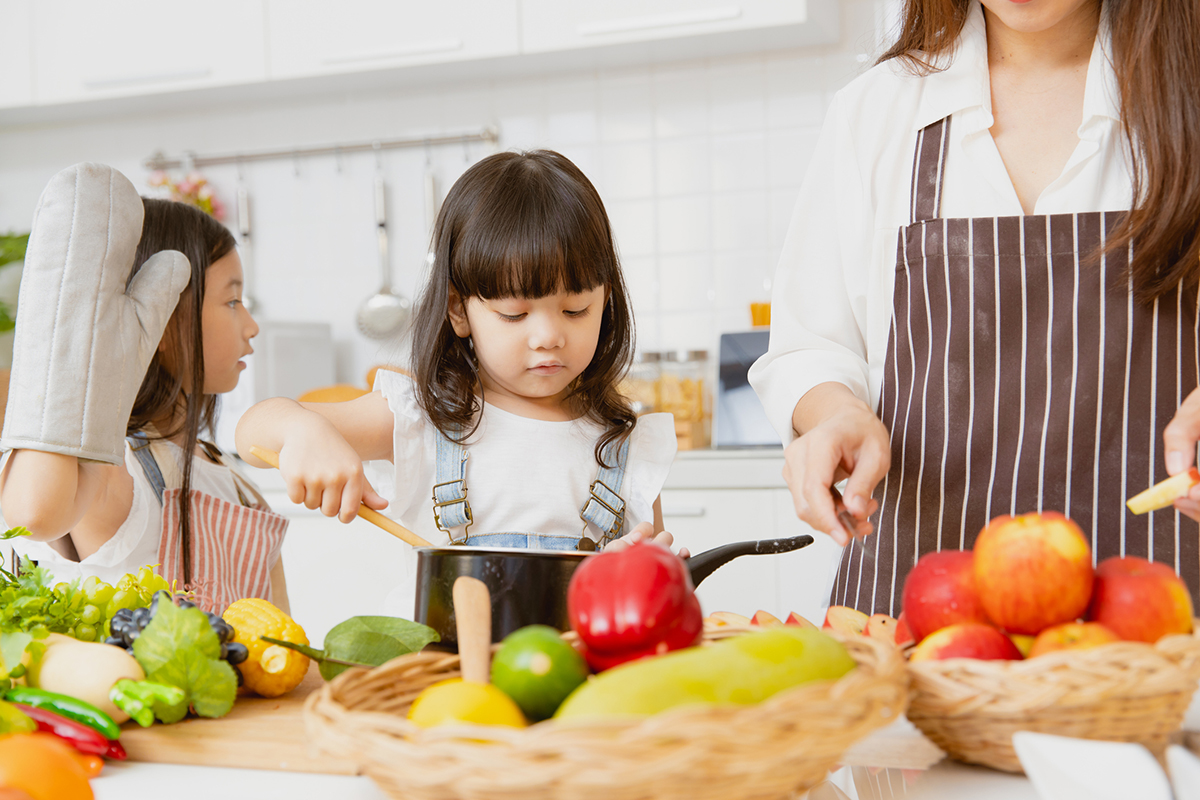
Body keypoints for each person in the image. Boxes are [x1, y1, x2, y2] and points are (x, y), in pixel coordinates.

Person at [749, 0, 1200, 615]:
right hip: (924, 614)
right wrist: (834, 414)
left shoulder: (1188, 98)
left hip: (1155, 613)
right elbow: (812, 347)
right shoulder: (877, 112)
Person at [235, 150, 677, 607]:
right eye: (514, 314)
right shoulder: (420, 418)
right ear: (458, 310)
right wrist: (303, 431)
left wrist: (640, 579)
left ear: (606, 302)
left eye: (575, 310)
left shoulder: (628, 446)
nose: (548, 336)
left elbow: (656, 606)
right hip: (441, 675)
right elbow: (251, 432)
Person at [0, 163, 287, 614]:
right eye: (232, 301)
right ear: (163, 317)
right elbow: (33, 514)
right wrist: (71, 336)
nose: (251, 326)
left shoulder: (233, 480)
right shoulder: (116, 466)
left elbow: (281, 633)